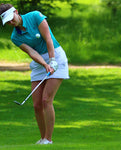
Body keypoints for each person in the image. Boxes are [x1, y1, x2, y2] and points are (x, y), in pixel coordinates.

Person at [0, 3, 69, 144]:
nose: (11, 22)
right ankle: (43, 138)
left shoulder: (35, 16)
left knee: (46, 100)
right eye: (7, 22)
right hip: (39, 63)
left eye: (11, 18)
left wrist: (52, 60)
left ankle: (48, 140)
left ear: (16, 12)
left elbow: (48, 38)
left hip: (55, 56)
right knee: (37, 104)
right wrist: (44, 64)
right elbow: (32, 52)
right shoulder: (15, 37)